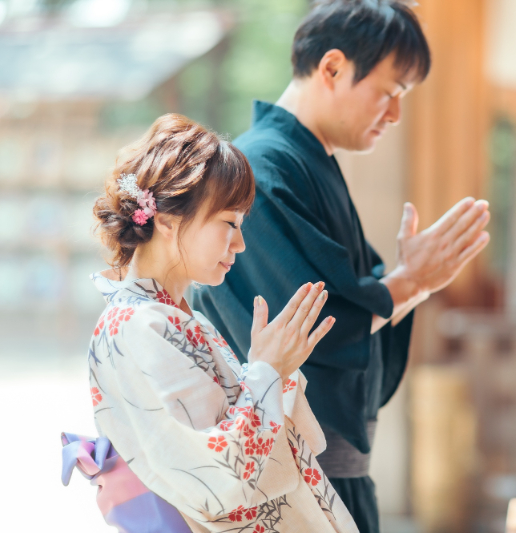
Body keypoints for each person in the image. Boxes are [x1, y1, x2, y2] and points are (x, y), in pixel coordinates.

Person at [192, 2, 491, 532]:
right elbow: (316, 324)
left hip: (325, 473)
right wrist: (412, 282)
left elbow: (360, 298)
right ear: (332, 68)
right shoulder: (259, 169)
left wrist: (407, 285)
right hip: (290, 484)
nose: (395, 114)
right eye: (390, 92)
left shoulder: (305, 161)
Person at [82, 113, 359, 533]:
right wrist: (265, 371)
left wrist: (277, 370)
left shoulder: (173, 318)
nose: (241, 243)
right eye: (229, 223)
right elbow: (215, 481)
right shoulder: (135, 327)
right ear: (168, 220)